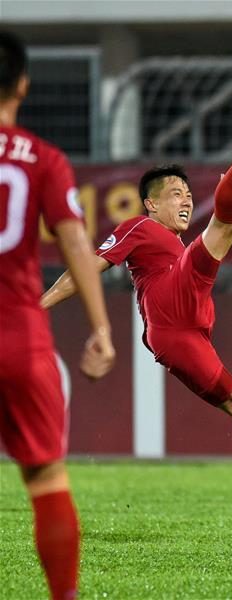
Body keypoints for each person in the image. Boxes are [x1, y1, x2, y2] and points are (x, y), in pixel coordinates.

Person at [41, 109, 232, 489]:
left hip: (183, 331)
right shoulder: (139, 225)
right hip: (172, 302)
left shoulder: (172, 241)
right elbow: (86, 267)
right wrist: (39, 307)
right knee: (225, 226)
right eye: (174, 195)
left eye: (187, 194)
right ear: (151, 204)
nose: (185, 200)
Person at [0, 30, 116, 600]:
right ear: (22, 84)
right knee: (46, 479)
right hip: (20, 338)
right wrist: (100, 327)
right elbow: (75, 244)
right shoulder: (44, 160)